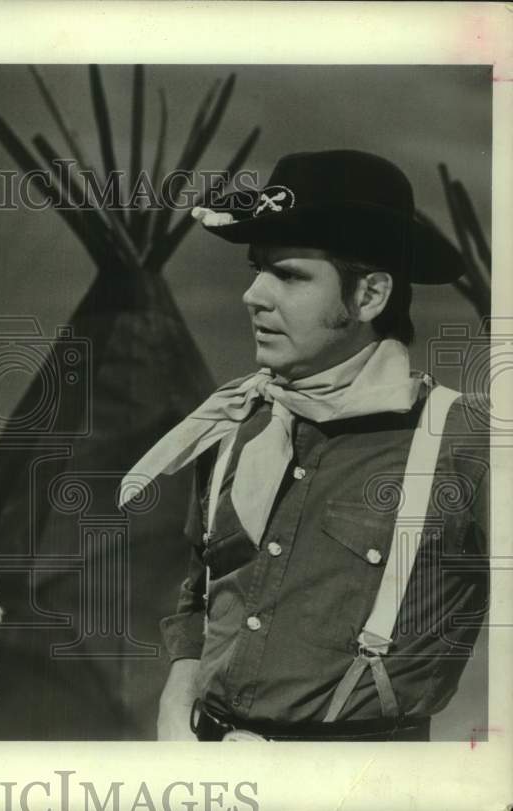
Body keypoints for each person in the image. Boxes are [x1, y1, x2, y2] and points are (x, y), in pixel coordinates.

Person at [119, 150, 489, 742]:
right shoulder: (241, 424)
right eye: (255, 270)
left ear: (369, 296)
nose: (254, 295)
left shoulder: (466, 442)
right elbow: (201, 590)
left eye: (289, 275)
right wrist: (176, 697)